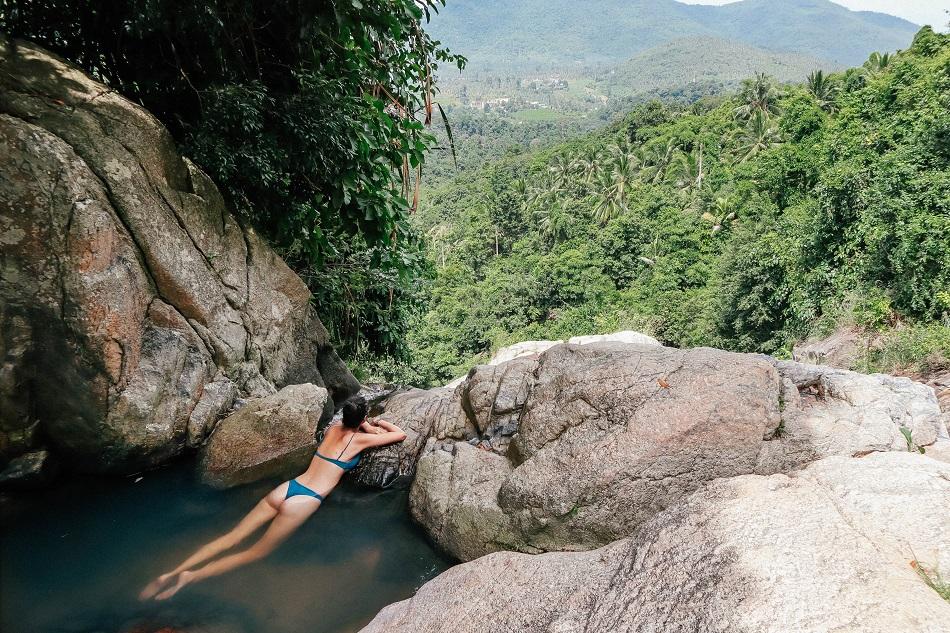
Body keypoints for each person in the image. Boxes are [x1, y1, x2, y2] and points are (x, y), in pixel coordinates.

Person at [139, 395, 406, 601]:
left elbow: (350, 425)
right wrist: (375, 423)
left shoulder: (334, 427)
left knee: (232, 537)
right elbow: (399, 435)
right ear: (360, 420)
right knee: (256, 552)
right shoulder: (358, 440)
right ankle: (190, 577)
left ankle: (173, 571)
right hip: (304, 501)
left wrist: (359, 422)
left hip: (287, 488)